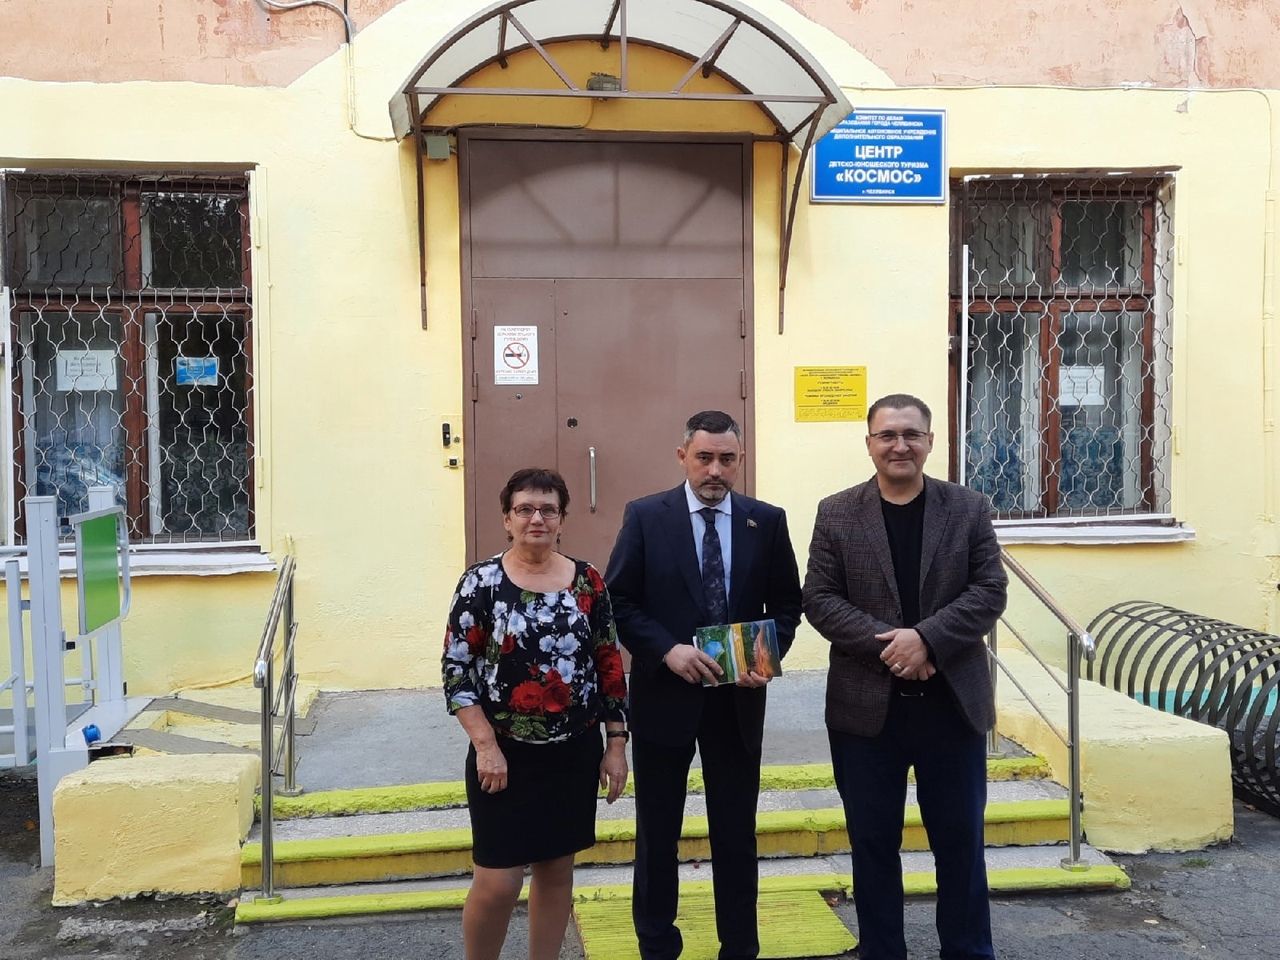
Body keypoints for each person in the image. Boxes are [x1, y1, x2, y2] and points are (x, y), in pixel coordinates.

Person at [802, 394, 1008, 960]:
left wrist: (929, 641)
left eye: (911, 434)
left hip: (952, 705)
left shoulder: (967, 507)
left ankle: (968, 951)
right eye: (887, 435)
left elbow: (990, 590)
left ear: (930, 441)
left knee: (960, 844)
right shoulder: (837, 512)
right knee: (872, 844)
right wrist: (897, 648)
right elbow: (819, 598)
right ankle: (882, 950)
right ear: (869, 443)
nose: (900, 445)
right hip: (866, 711)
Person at [606, 410, 802, 960]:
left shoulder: (766, 521)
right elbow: (619, 600)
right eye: (704, 458)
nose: (715, 470)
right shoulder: (646, 516)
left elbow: (788, 604)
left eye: (727, 459)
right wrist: (666, 649)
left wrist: (763, 658)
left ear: (740, 460)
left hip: (738, 700)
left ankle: (739, 947)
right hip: (664, 698)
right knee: (657, 832)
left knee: (736, 832)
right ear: (683, 457)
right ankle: (657, 945)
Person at [442, 467, 629, 960]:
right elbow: (457, 672)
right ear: (507, 519)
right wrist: (485, 746)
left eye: (548, 509)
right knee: (498, 881)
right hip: (503, 757)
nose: (536, 518)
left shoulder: (587, 581)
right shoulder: (481, 583)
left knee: (556, 871)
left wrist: (615, 745)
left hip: (573, 752)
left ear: (562, 518)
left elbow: (608, 664)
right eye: (524, 509)